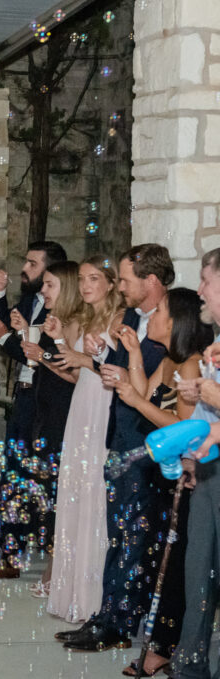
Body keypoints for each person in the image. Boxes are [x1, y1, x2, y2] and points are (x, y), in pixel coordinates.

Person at [58, 244, 173, 649]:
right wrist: (104, 353)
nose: (121, 287)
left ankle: (120, 624)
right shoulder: (132, 318)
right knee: (118, 533)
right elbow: (120, 371)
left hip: (147, 443)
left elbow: (154, 387)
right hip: (120, 435)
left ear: (151, 281)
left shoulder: (169, 323)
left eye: (126, 279)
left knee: (136, 540)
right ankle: (106, 616)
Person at [104, 288, 212, 675]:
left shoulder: (191, 366)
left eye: (161, 310)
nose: (153, 316)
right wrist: (134, 356)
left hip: (184, 471)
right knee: (160, 553)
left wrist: (136, 401)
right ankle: (162, 644)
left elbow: (183, 427)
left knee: (179, 558)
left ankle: (164, 647)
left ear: (177, 321)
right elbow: (146, 390)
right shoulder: (170, 359)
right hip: (162, 469)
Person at [0, 261, 81, 583]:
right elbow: (37, 355)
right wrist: (19, 334)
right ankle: (8, 551)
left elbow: (70, 371)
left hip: (58, 412)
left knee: (43, 489)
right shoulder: (53, 319)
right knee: (18, 481)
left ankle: (35, 561)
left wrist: (36, 347)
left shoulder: (71, 323)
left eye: (49, 284)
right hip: (39, 406)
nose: (42, 289)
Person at [45, 255, 125, 624]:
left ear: (110, 283)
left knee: (94, 490)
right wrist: (59, 339)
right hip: (83, 405)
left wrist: (83, 357)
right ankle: (71, 592)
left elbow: (117, 370)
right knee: (75, 488)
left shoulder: (121, 320)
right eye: (82, 278)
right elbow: (75, 368)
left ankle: (93, 598)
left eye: (95, 278)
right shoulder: (89, 319)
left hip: (104, 406)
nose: (87, 284)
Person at [169, 249, 220, 679]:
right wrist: (190, 454)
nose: (199, 288)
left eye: (206, 279)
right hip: (209, 469)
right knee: (198, 571)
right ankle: (190, 664)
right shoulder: (216, 343)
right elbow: (209, 414)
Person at [0, 241, 68, 453]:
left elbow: (36, 353)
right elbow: (5, 324)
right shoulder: (31, 299)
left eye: (32, 263)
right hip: (22, 393)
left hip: (41, 395)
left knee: (32, 462)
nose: (24, 268)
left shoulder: (60, 309)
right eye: (26, 262)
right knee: (13, 461)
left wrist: (5, 337)